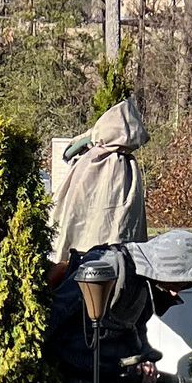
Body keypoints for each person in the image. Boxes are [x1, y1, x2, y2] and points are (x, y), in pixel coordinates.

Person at [44, 230, 192, 383]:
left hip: (109, 371)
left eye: (183, 286)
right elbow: (57, 311)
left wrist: (144, 357)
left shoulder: (148, 284)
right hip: (77, 369)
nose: (176, 293)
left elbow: (136, 327)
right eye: (177, 283)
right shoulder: (108, 265)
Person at [46, 96, 148, 284]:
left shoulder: (94, 159)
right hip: (112, 264)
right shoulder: (128, 164)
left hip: (85, 259)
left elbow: (73, 212)